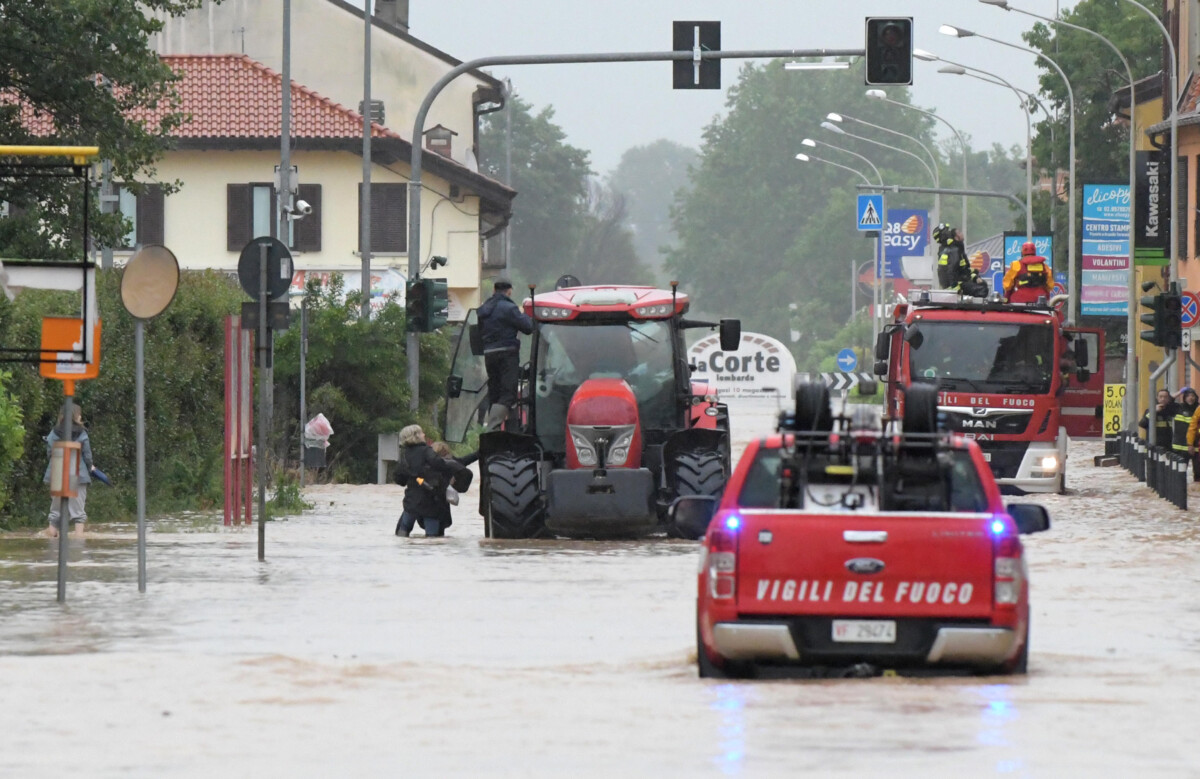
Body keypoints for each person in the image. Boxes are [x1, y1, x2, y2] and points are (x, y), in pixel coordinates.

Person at [477, 278, 535, 431]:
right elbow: (528, 327)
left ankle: (500, 430)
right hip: (507, 354)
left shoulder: (484, 309)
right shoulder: (509, 308)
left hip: (489, 354)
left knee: (495, 392)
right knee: (509, 394)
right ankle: (493, 428)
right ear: (509, 291)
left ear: (494, 291)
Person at [392, 424, 468, 538]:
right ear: (416, 436)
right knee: (432, 538)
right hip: (431, 501)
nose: (424, 434)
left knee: (402, 534)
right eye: (422, 432)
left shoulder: (405, 455)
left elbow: (399, 478)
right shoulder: (426, 451)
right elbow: (439, 464)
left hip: (411, 501)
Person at [42, 405, 94, 538]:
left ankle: (52, 535)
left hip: (58, 473)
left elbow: (50, 453)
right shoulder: (82, 433)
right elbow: (87, 456)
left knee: (55, 511)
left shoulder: (54, 432)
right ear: (77, 417)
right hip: (78, 474)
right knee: (78, 512)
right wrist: (90, 468)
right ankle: (78, 538)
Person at [933, 223, 988, 298]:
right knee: (983, 289)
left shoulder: (948, 249)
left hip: (958, 282)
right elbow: (950, 271)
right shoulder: (953, 250)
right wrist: (955, 289)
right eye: (959, 232)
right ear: (955, 237)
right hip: (955, 285)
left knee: (981, 283)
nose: (962, 233)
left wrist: (975, 277)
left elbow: (963, 271)